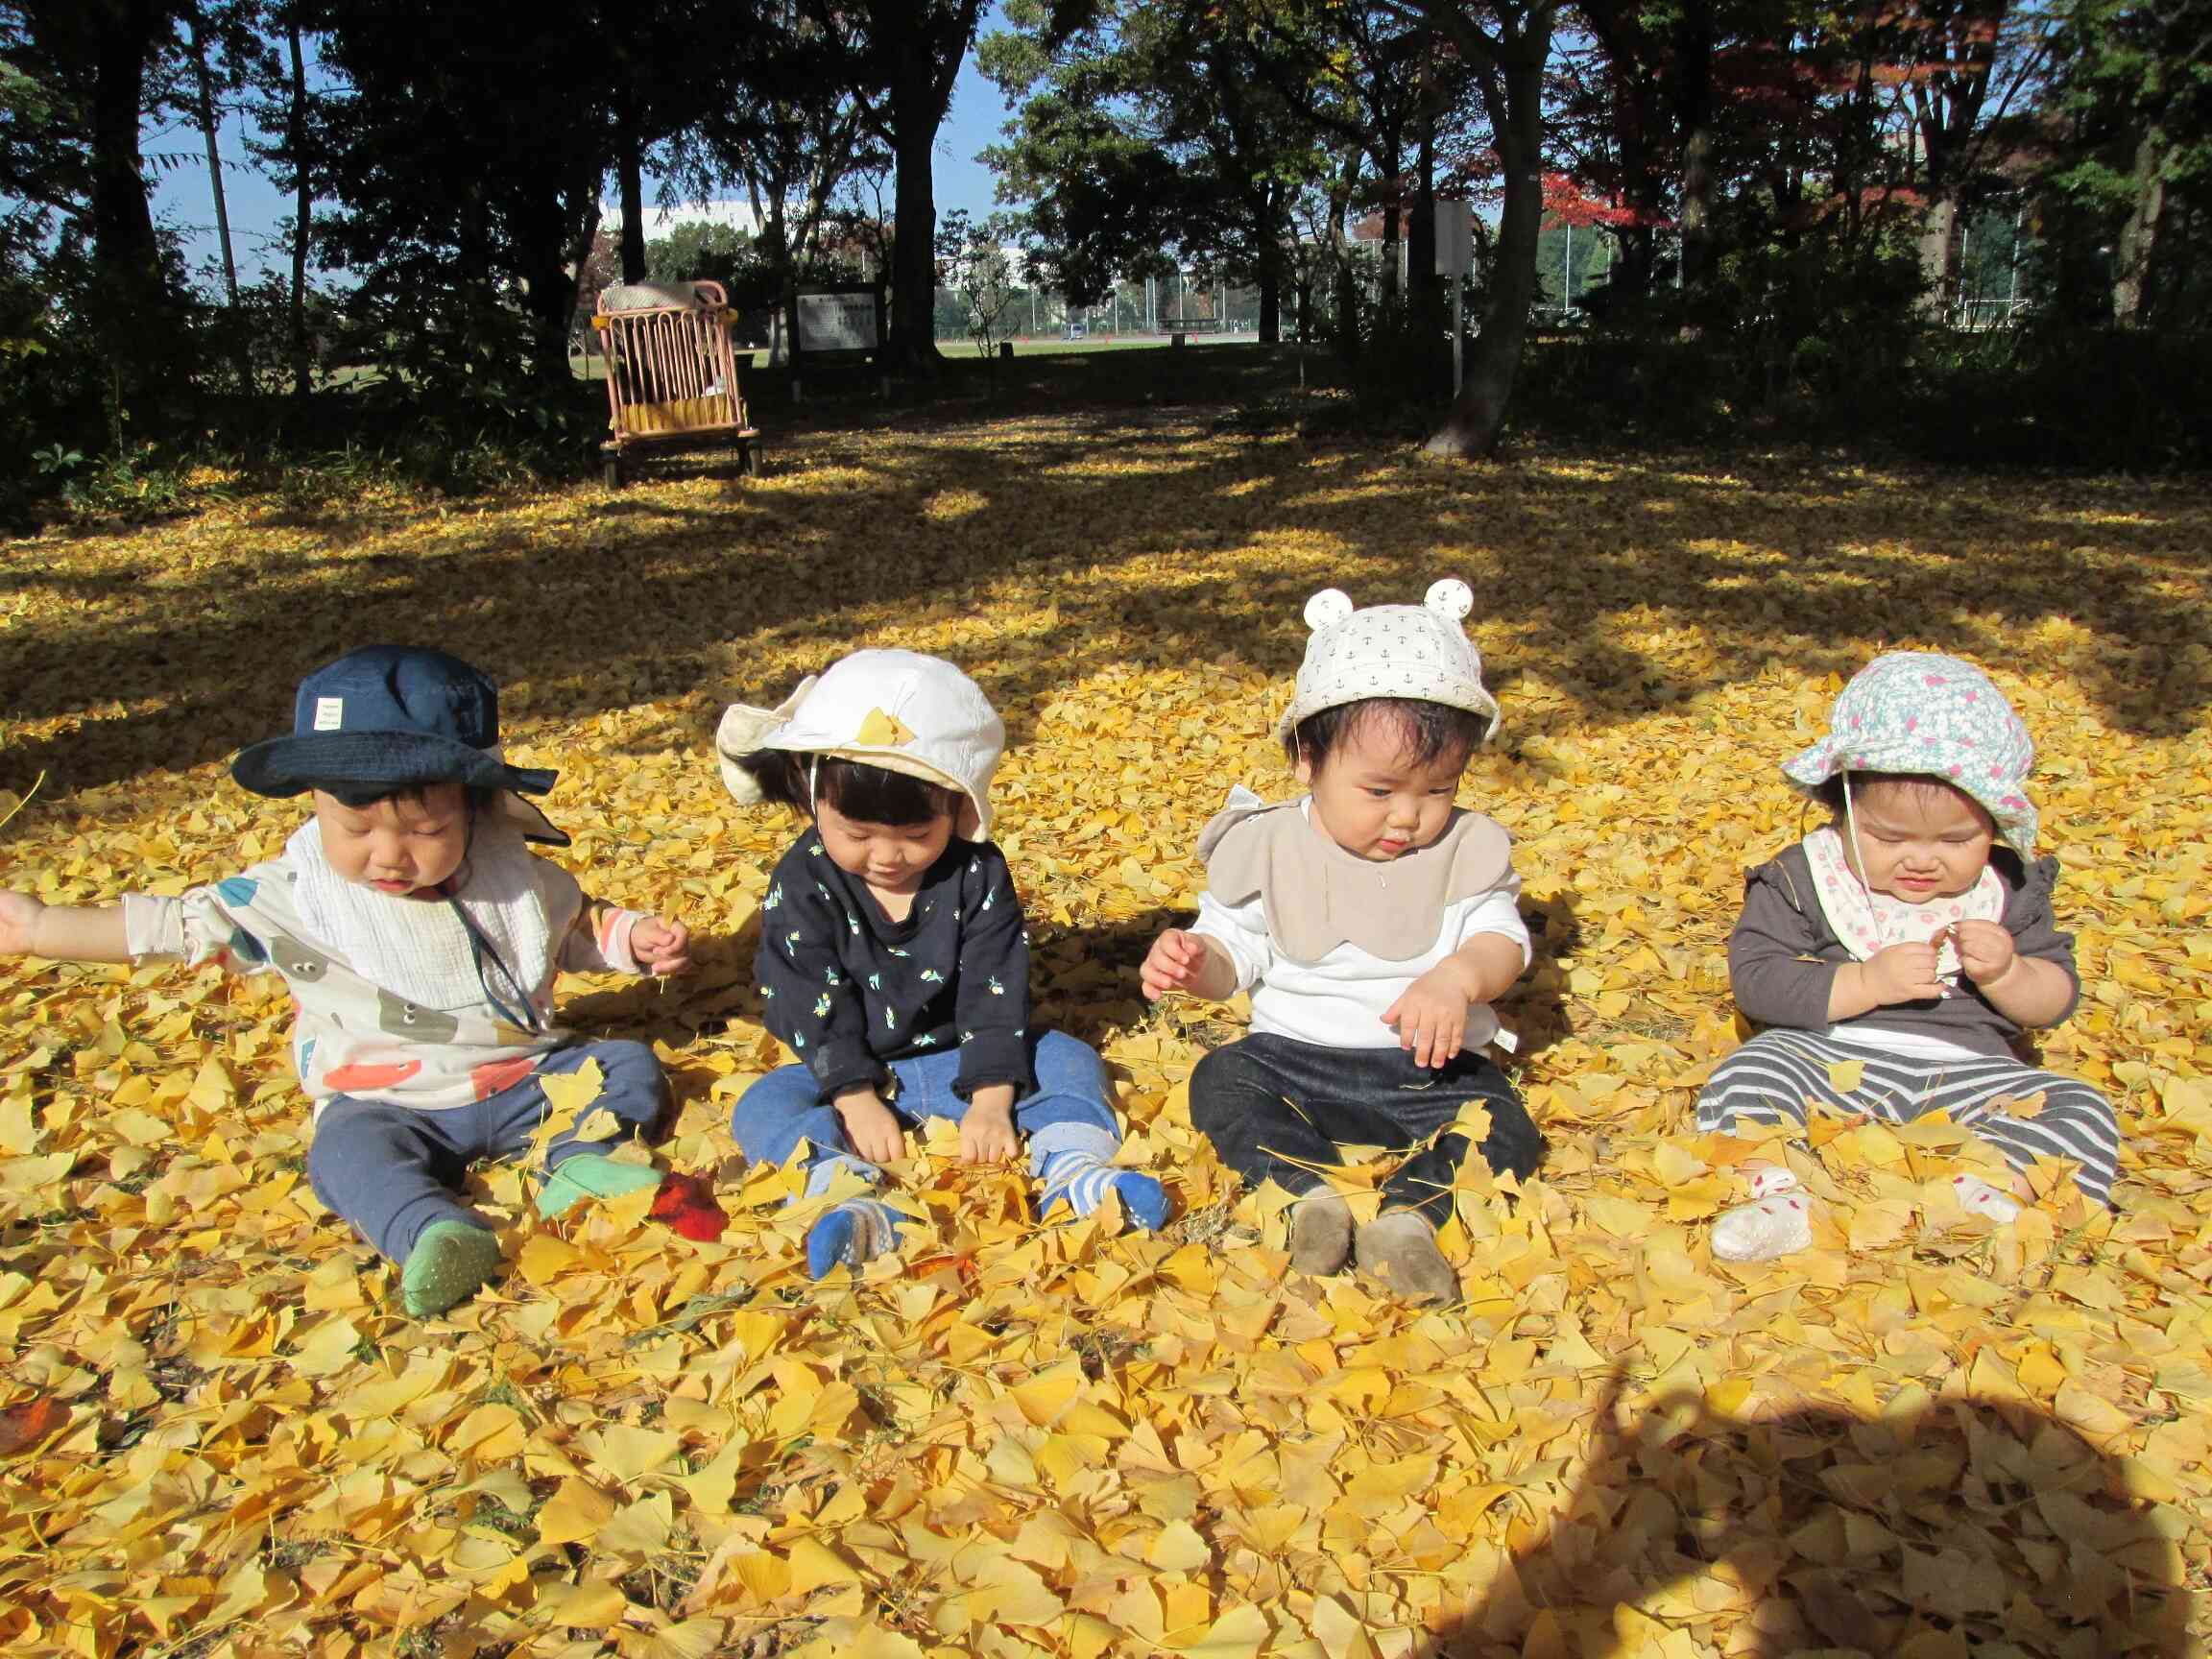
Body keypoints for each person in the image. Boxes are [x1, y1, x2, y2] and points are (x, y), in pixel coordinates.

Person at [0, 646, 692, 1316]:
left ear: (476, 808)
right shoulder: (297, 897)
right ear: (316, 806)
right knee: (344, 1154)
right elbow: (176, 926)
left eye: (426, 829)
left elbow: (568, 928)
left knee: (627, 1066)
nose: (388, 855)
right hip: (387, 1100)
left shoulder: (510, 875)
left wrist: (630, 939)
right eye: (354, 827)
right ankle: (432, 1231)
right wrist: (41, 927)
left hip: (527, 1077)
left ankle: (577, 1162)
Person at [1142, 582, 1545, 1304]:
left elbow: (1501, 940)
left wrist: (1458, 978)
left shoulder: (1464, 850)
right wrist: (1196, 963)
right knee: (1220, 1082)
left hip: (1428, 1071)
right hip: (1291, 1062)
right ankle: (1307, 1193)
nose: (1410, 818)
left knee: (1503, 1121)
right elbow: (1237, 955)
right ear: (1307, 759)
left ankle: (1411, 1220)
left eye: (1439, 790)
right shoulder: (1269, 847)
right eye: (1380, 791)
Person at [716, 649, 1167, 1278]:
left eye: (915, 834)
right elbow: (807, 998)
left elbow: (996, 986)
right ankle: (846, 1198)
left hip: (966, 1055)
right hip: (850, 1068)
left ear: (957, 806)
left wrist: (990, 1099)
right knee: (763, 1103)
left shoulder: (976, 874)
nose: (888, 855)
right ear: (813, 793)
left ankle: (1077, 1169)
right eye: (858, 833)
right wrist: (854, 1097)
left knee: (1068, 1057)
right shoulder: (802, 880)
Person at [1696, 652, 2118, 1262]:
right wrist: (1865, 981)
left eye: (1956, 841)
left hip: (1976, 1072)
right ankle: (1778, 1196)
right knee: (1751, 1071)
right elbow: (1758, 979)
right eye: (1889, 839)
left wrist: (2008, 973)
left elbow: (2055, 1002)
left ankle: (1990, 1193)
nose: (1922, 860)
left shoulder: (2009, 889)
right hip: (1828, 1054)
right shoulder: (1806, 876)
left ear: (1995, 827)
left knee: (2081, 1107)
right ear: (1843, 808)